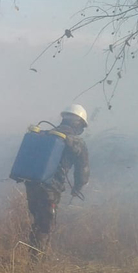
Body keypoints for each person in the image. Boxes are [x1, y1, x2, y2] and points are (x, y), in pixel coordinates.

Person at [25, 104, 90, 257]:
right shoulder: (76, 142)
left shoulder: (45, 134)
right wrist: (77, 187)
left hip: (31, 184)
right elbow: (83, 170)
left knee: (37, 220)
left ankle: (33, 256)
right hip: (50, 189)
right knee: (46, 226)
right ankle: (35, 264)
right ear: (79, 123)